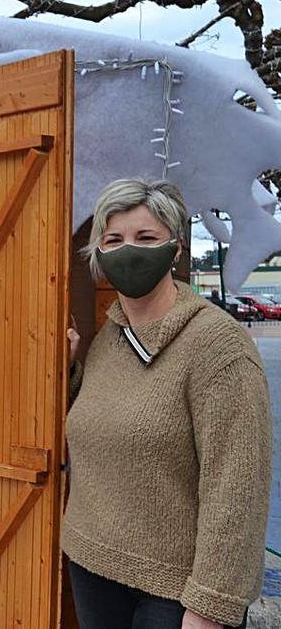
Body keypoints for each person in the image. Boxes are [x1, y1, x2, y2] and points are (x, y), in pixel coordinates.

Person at [64, 179, 271, 629]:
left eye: (146, 238)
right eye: (113, 239)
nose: (128, 251)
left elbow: (238, 489)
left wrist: (211, 605)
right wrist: (71, 370)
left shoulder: (219, 348)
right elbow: (103, 422)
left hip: (174, 591)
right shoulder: (110, 336)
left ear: (176, 249)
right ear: (98, 252)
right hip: (92, 565)